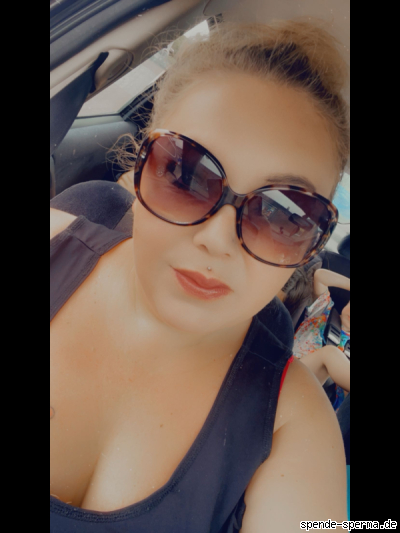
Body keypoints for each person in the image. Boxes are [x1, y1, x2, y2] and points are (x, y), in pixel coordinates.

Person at [50, 20, 350, 532]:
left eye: (285, 215)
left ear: (311, 245)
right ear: (138, 169)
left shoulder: (293, 428)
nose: (217, 239)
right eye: (186, 174)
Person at [292, 268, 350, 397]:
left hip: (320, 401)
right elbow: (320, 276)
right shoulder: (324, 310)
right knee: (329, 354)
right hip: (290, 374)